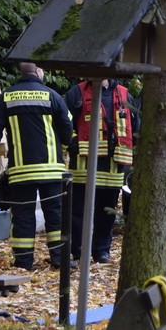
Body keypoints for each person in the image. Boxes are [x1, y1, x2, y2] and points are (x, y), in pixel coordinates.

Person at [0, 63, 75, 270]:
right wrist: (63, 148)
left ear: (20, 73)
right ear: (39, 72)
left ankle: (24, 262)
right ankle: (59, 260)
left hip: (21, 171)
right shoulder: (52, 96)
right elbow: (67, 126)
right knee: (55, 215)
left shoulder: (6, 97)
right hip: (51, 170)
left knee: (23, 216)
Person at [63, 78, 138, 265]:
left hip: (113, 165)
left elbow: (135, 125)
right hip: (83, 165)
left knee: (107, 213)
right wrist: (72, 143)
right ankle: (78, 251)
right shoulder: (76, 93)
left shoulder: (124, 93)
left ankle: (101, 251)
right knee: (78, 212)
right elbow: (63, 123)